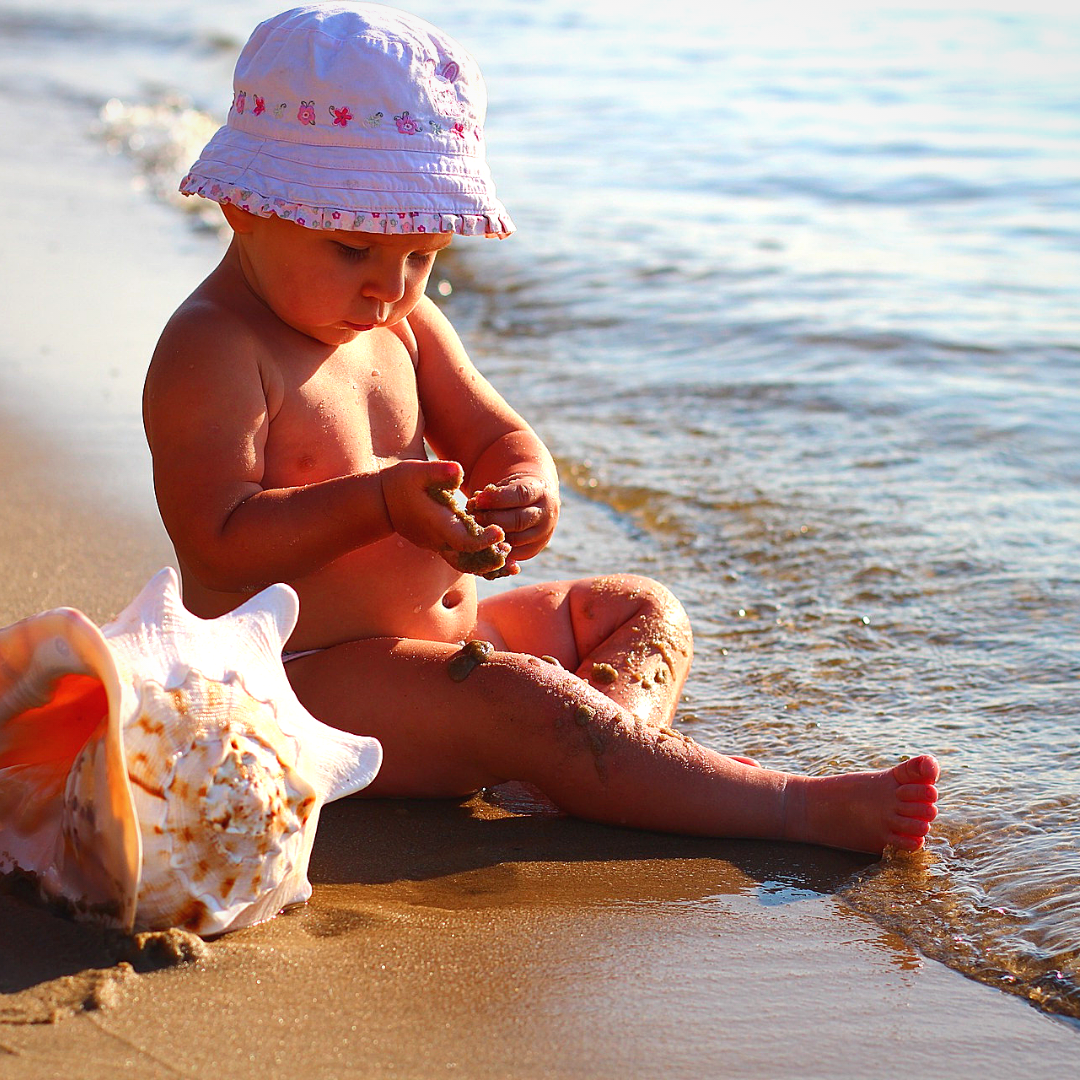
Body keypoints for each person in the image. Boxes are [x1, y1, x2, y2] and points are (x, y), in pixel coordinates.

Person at [143, 2, 938, 854]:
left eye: (422, 256)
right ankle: (788, 806)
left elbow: (500, 437)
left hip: (445, 650)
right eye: (352, 249)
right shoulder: (214, 348)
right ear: (245, 206)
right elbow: (218, 542)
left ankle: (612, 756)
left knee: (641, 610)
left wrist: (528, 489)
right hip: (302, 682)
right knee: (519, 696)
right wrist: (377, 505)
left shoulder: (403, 327)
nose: (390, 286)